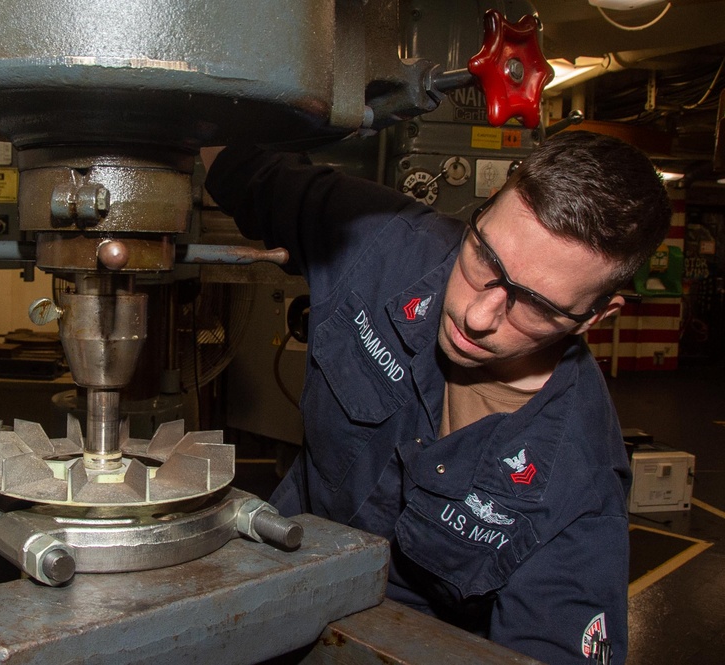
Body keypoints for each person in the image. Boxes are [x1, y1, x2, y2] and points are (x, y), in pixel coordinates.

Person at [204, 130, 671, 664]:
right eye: (484, 259)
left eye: (537, 306)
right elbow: (235, 158)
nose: (478, 315)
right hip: (259, 591)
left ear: (596, 317)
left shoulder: (576, 487)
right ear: (481, 211)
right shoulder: (384, 244)